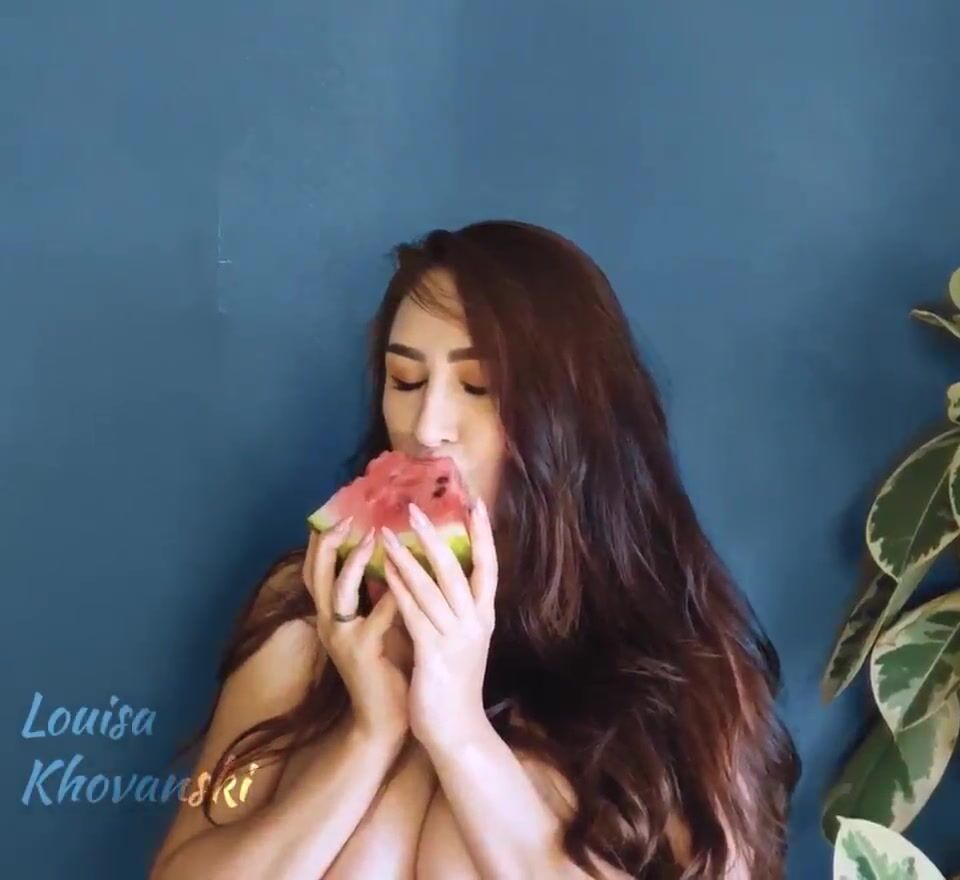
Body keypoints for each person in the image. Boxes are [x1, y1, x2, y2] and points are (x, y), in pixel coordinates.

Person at [148, 220, 801, 879]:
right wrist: (369, 735)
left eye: (478, 386)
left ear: (569, 415)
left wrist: (460, 733)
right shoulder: (308, 612)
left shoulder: (673, 666)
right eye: (405, 381)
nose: (427, 427)